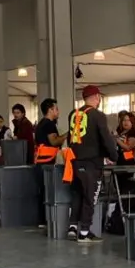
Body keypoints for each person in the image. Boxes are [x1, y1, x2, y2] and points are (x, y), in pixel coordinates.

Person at [66, 86, 117, 242]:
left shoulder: (73, 115)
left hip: (74, 161)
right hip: (91, 163)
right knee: (91, 196)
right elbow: (105, 137)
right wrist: (112, 154)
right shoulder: (98, 115)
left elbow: (70, 138)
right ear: (96, 97)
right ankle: (84, 232)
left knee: (77, 194)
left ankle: (73, 227)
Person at [33, 99, 66, 230]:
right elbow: (53, 142)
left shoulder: (41, 123)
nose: (58, 111)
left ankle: (43, 220)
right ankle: (47, 220)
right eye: (56, 109)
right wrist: (68, 135)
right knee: (48, 192)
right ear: (50, 110)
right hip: (46, 163)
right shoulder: (49, 124)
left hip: (41, 162)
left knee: (43, 192)